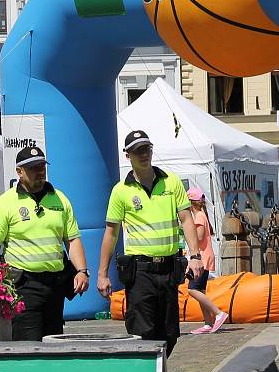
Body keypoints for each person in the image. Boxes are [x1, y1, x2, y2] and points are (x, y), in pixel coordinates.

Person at [97, 130, 204, 355]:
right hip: (140, 271)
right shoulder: (121, 191)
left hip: (168, 268)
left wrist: (195, 256)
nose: (144, 154)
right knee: (142, 332)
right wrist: (102, 273)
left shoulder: (171, 181)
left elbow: (186, 219)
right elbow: (111, 233)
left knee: (170, 334)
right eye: (138, 151)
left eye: (146, 149)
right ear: (128, 156)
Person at [0, 147, 89, 341]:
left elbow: (72, 240)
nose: (40, 171)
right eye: (33, 168)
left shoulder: (60, 199)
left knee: (53, 344)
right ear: (19, 172)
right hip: (23, 286)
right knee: (28, 345)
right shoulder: (5, 203)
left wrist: (82, 271)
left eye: (41, 166)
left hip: (55, 286)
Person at [185, 186, 228, 335]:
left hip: (201, 258)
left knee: (192, 289)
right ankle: (208, 323)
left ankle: (218, 313)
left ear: (190, 203)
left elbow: (199, 237)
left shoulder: (198, 217)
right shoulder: (202, 215)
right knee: (200, 290)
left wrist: (185, 232)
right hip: (206, 257)